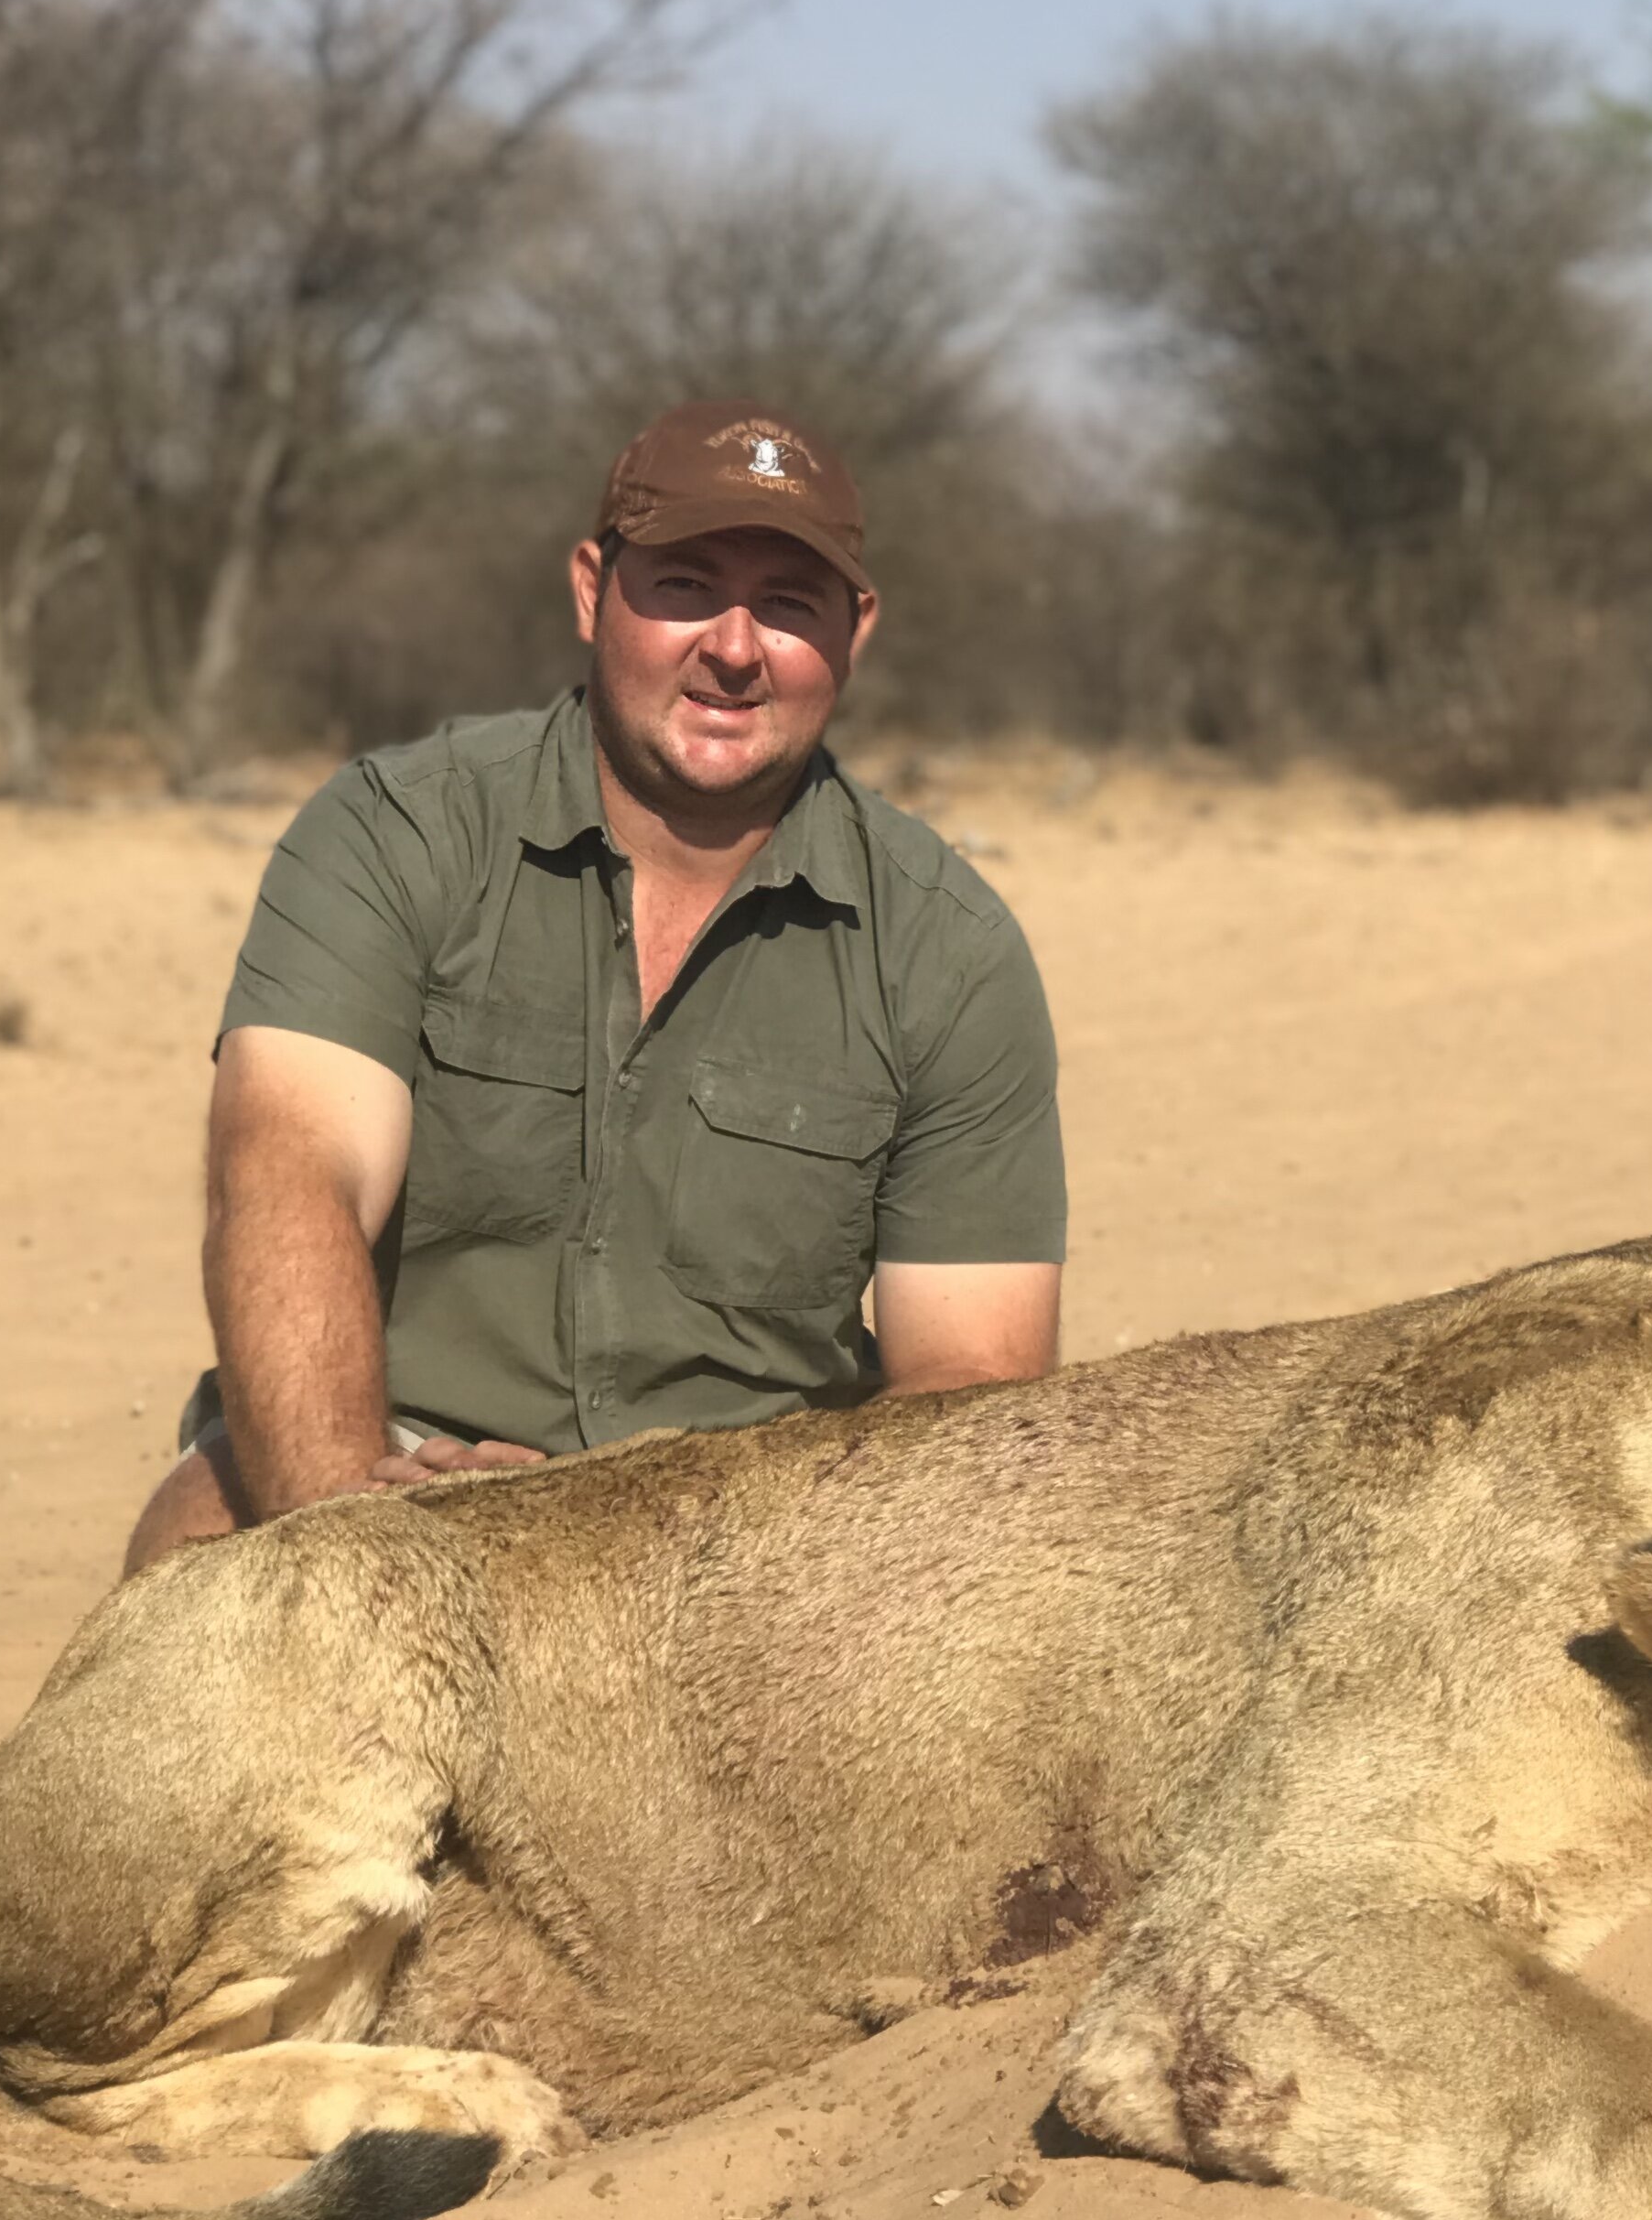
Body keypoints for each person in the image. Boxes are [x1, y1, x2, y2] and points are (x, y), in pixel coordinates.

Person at [124, 401, 1064, 1574]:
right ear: (590, 589)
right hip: (395, 1476)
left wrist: (661, 1546)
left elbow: (969, 1396)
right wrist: (355, 1532)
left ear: (854, 631)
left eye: (788, 603)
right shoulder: (393, 830)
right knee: (194, 1540)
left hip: (743, 1535)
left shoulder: (951, 949)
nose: (734, 645)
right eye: (685, 585)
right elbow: (286, 1178)